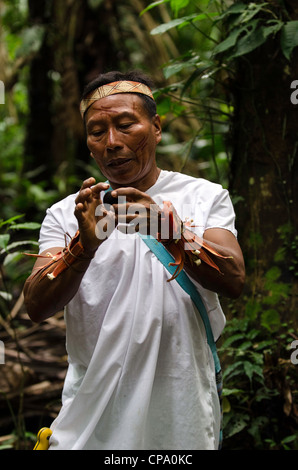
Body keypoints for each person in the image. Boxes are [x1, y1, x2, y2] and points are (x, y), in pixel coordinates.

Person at [24, 70, 245, 450]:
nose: (112, 142)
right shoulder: (68, 214)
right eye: (97, 132)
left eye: (126, 125)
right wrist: (83, 246)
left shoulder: (203, 196)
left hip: (180, 400)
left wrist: (172, 232)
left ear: (155, 127)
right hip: (94, 407)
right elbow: (35, 304)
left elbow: (235, 278)